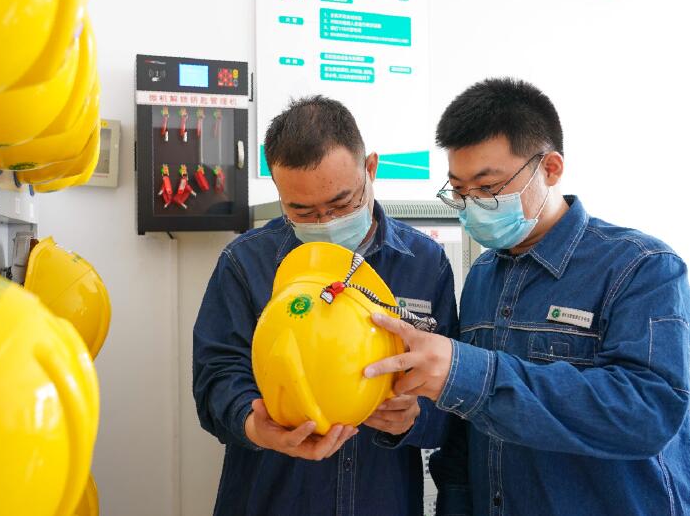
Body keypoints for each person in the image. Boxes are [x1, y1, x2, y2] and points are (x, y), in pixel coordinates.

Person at [364, 77, 690, 515]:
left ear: (551, 168)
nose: (471, 204)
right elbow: (466, 437)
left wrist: (469, 373)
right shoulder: (482, 275)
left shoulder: (641, 266)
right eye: (459, 190)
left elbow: (647, 414)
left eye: (488, 187)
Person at [193, 95, 458, 515]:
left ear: (370, 168)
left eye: (341, 204)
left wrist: (414, 417)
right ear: (278, 190)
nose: (325, 223)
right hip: (275, 498)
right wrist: (254, 425)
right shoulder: (245, 262)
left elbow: (453, 394)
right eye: (302, 211)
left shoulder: (425, 262)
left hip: (380, 497)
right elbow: (215, 379)